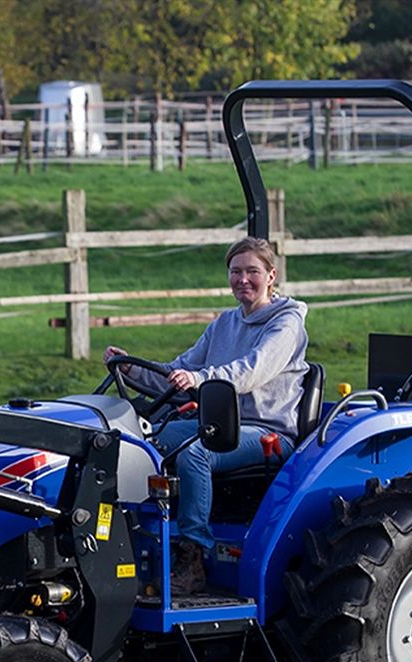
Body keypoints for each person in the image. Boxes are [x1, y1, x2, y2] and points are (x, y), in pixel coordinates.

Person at [105, 236, 308, 594]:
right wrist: (132, 369)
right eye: (236, 272)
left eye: (252, 271)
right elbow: (180, 370)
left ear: (271, 275)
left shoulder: (286, 324)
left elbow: (250, 371)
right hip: (219, 422)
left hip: (265, 431)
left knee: (196, 452)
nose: (243, 279)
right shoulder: (225, 324)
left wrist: (199, 379)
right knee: (143, 439)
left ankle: (192, 556)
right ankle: (133, 542)